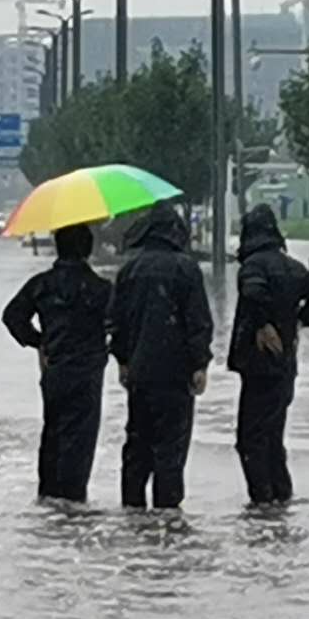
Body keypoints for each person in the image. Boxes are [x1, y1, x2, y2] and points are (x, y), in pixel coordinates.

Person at [109, 201, 215, 511]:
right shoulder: (186, 269)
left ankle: (133, 513)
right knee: (170, 450)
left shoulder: (129, 270)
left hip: (139, 375)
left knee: (137, 446)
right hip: (175, 375)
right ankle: (167, 518)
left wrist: (123, 360)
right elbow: (198, 321)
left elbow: (117, 321)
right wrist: (200, 365)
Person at [227, 203, 309, 507]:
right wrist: (299, 320)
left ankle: (262, 503)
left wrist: (263, 324)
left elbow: (252, 293)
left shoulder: (253, 267)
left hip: (258, 365)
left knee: (250, 439)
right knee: (273, 438)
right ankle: (281, 501)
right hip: (286, 364)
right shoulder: (293, 267)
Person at [2, 223, 112, 505]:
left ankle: (48, 497)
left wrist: (39, 342)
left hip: (55, 369)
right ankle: (73, 503)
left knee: (53, 432)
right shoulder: (101, 288)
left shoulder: (41, 284)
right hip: (88, 373)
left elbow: (12, 316)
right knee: (81, 440)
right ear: (88, 249)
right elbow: (119, 325)